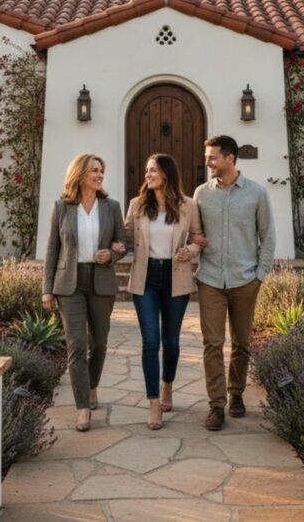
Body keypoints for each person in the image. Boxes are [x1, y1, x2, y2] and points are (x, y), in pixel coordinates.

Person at [192, 135, 275, 431]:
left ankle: (236, 393)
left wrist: (259, 275)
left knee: (241, 343)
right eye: (207, 157)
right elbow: (195, 234)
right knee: (212, 344)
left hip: (244, 280)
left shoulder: (256, 193)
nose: (208, 162)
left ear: (230, 158)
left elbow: (268, 236)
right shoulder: (201, 194)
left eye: (213, 157)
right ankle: (216, 405)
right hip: (210, 279)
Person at [42, 153, 127, 432]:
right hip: (70, 284)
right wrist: (47, 290)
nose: (99, 175)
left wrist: (111, 256)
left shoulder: (111, 207)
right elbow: (52, 250)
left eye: (101, 170)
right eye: (94, 170)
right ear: (79, 174)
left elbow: (122, 244)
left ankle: (92, 386)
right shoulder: (62, 207)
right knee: (76, 345)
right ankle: (82, 408)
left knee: (99, 344)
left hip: (101, 282)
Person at [123, 153, 204, 430]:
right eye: (146, 170)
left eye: (153, 170)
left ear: (167, 174)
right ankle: (154, 402)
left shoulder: (188, 205)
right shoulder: (137, 205)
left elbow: (197, 239)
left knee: (171, 341)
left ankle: (167, 384)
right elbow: (123, 238)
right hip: (145, 278)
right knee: (150, 342)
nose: (147, 174)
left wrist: (189, 250)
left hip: (176, 277)